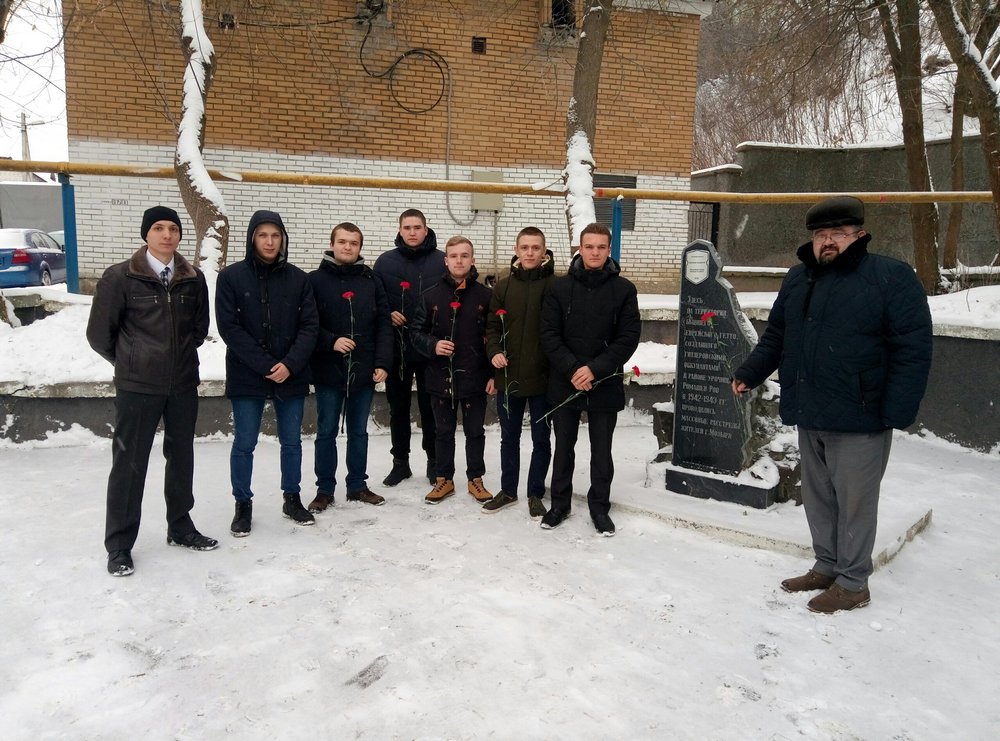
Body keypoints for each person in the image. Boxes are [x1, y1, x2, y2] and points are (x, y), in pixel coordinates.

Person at [732, 196, 932, 614]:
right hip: (810, 408)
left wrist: (897, 411)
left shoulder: (890, 277)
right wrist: (751, 371)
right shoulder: (798, 278)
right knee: (819, 497)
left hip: (862, 414)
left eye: (838, 234)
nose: (827, 242)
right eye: (821, 234)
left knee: (855, 502)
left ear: (859, 235)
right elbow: (777, 335)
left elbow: (912, 350)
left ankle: (854, 582)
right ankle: (826, 566)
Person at [87, 205, 218, 577]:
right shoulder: (120, 277)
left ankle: (180, 527)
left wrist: (176, 358)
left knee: (181, 459)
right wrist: (133, 360)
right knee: (129, 465)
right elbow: (99, 335)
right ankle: (119, 545)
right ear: (146, 233)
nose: (166, 234)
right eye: (158, 228)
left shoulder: (192, 278)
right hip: (138, 387)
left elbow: (198, 329)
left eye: (173, 228)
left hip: (182, 384)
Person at [215, 209, 319, 536]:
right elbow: (229, 328)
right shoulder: (231, 277)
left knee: (292, 442)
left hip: (292, 373)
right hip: (247, 374)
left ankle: (292, 498)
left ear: (283, 239)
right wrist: (264, 365)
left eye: (275, 235)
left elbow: (310, 326)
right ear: (252, 238)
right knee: (245, 442)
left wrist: (289, 364)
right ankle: (242, 503)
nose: (270, 242)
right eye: (263, 235)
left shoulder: (299, 279)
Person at [539, 222, 641, 536]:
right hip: (565, 380)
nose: (594, 252)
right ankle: (560, 504)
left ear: (609, 250)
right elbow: (549, 335)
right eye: (589, 246)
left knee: (601, 450)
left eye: (600, 247)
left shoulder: (624, 290)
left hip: (604, 381)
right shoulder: (559, 288)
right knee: (563, 448)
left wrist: (595, 369)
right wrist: (573, 369)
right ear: (579, 249)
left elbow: (628, 338)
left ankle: (599, 508)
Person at [308, 222, 393, 511]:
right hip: (328, 370)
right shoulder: (315, 281)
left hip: (364, 370)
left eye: (353, 243)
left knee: (359, 432)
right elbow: (307, 324)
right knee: (326, 432)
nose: (347, 247)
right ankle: (324, 489)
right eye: (342, 242)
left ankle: (357, 485)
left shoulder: (371, 281)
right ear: (332, 244)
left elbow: (384, 324)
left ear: (360, 247)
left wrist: (382, 362)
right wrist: (330, 341)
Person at [410, 236, 494, 505]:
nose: (459, 260)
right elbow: (415, 333)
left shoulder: (486, 297)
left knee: (475, 431)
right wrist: (433, 345)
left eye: (464, 255)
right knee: (443, 431)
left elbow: (495, 338)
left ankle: (475, 478)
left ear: (472, 260)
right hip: (440, 377)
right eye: (454, 256)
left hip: (474, 376)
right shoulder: (430, 295)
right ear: (446, 260)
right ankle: (443, 478)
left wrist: (493, 375)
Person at [482, 226, 556, 517]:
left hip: (543, 379)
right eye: (524, 247)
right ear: (516, 250)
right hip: (508, 377)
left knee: (541, 439)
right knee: (509, 438)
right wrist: (494, 352)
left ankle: (535, 493)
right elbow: (491, 327)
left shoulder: (555, 286)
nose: (530, 253)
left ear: (544, 251)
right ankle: (508, 490)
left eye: (535, 248)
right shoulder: (503, 287)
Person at [373, 209, 447, 487]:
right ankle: (400, 462)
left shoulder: (441, 260)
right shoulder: (385, 262)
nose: (412, 232)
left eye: (417, 227)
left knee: (430, 409)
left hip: (429, 349)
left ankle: (433, 461)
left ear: (426, 230)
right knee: (399, 409)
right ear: (400, 230)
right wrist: (388, 313)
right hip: (398, 349)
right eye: (407, 227)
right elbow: (375, 299)